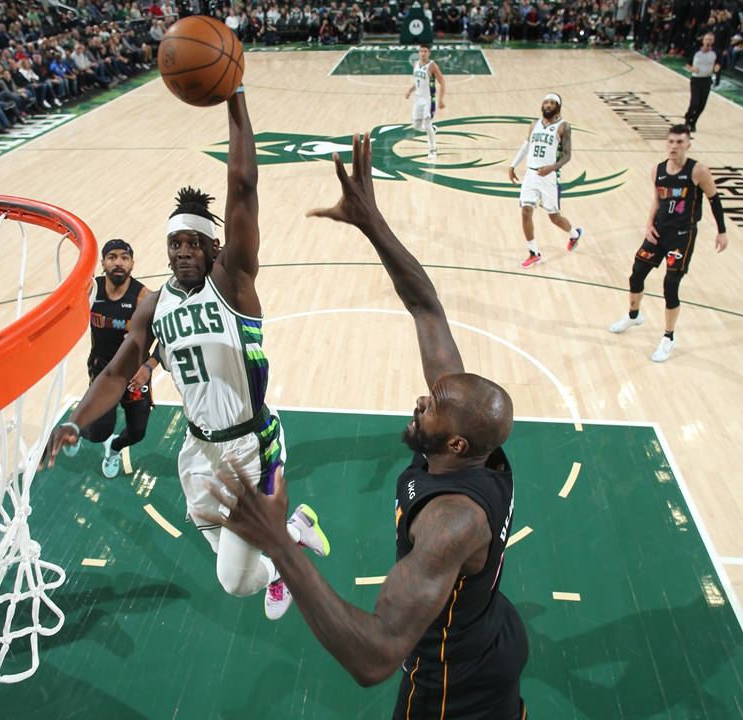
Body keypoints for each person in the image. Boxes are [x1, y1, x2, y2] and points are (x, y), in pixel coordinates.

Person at [200, 132, 527, 719]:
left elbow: (376, 656)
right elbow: (426, 305)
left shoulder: (453, 521)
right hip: (490, 630)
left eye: (431, 406)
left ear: (456, 442)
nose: (420, 400)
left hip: (454, 681)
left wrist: (279, 543)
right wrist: (372, 221)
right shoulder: (469, 438)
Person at [43, 88, 330, 621]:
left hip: (251, 448)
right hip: (199, 453)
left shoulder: (233, 284)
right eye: (174, 244)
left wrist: (237, 96)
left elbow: (243, 187)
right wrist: (77, 422)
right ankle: (293, 534)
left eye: (192, 243)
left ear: (213, 249)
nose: (181, 252)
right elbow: (116, 368)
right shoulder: (154, 304)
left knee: (235, 583)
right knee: (230, 562)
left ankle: (284, 557)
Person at [609, 125, 728, 362]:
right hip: (659, 232)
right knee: (636, 275)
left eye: (679, 142)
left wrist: (721, 231)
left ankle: (668, 337)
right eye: (671, 141)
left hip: (682, 235)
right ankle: (634, 315)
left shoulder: (698, 171)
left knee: (671, 283)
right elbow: (657, 199)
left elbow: (714, 200)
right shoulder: (658, 170)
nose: (674, 146)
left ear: (688, 145)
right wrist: (649, 224)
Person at [59, 239, 160, 479]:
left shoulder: (143, 298)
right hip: (102, 370)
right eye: (112, 257)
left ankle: (114, 448)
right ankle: (77, 429)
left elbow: (166, 337)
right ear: (102, 263)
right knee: (98, 432)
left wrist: (149, 365)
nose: (118, 262)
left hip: (135, 375)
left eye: (124, 258)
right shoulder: (91, 290)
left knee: (137, 433)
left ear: (132, 264)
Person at [507, 92, 583, 266]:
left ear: (557, 107)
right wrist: (512, 166)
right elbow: (526, 147)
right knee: (526, 211)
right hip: (531, 174)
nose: (548, 105)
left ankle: (574, 234)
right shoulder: (534, 124)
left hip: (549, 177)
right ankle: (533, 252)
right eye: (546, 102)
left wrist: (552, 167)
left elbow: (567, 155)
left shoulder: (563, 127)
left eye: (552, 103)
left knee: (554, 218)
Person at [404, 44, 447, 160]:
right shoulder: (415, 64)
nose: (423, 53)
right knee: (417, 126)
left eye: (425, 51)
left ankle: (433, 149)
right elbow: (417, 82)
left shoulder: (432, 66)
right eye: (421, 51)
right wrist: (409, 91)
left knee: (427, 124)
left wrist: (440, 100)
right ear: (418, 53)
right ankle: (432, 130)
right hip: (418, 98)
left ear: (429, 53)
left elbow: (442, 82)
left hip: (428, 98)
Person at [684, 33, 719, 132]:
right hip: (696, 80)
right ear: (703, 41)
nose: (708, 41)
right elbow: (687, 64)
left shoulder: (715, 53)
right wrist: (691, 68)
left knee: (702, 105)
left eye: (711, 39)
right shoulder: (696, 52)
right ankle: (687, 118)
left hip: (707, 80)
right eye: (707, 39)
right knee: (694, 103)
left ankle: (693, 122)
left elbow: (718, 63)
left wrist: (717, 67)